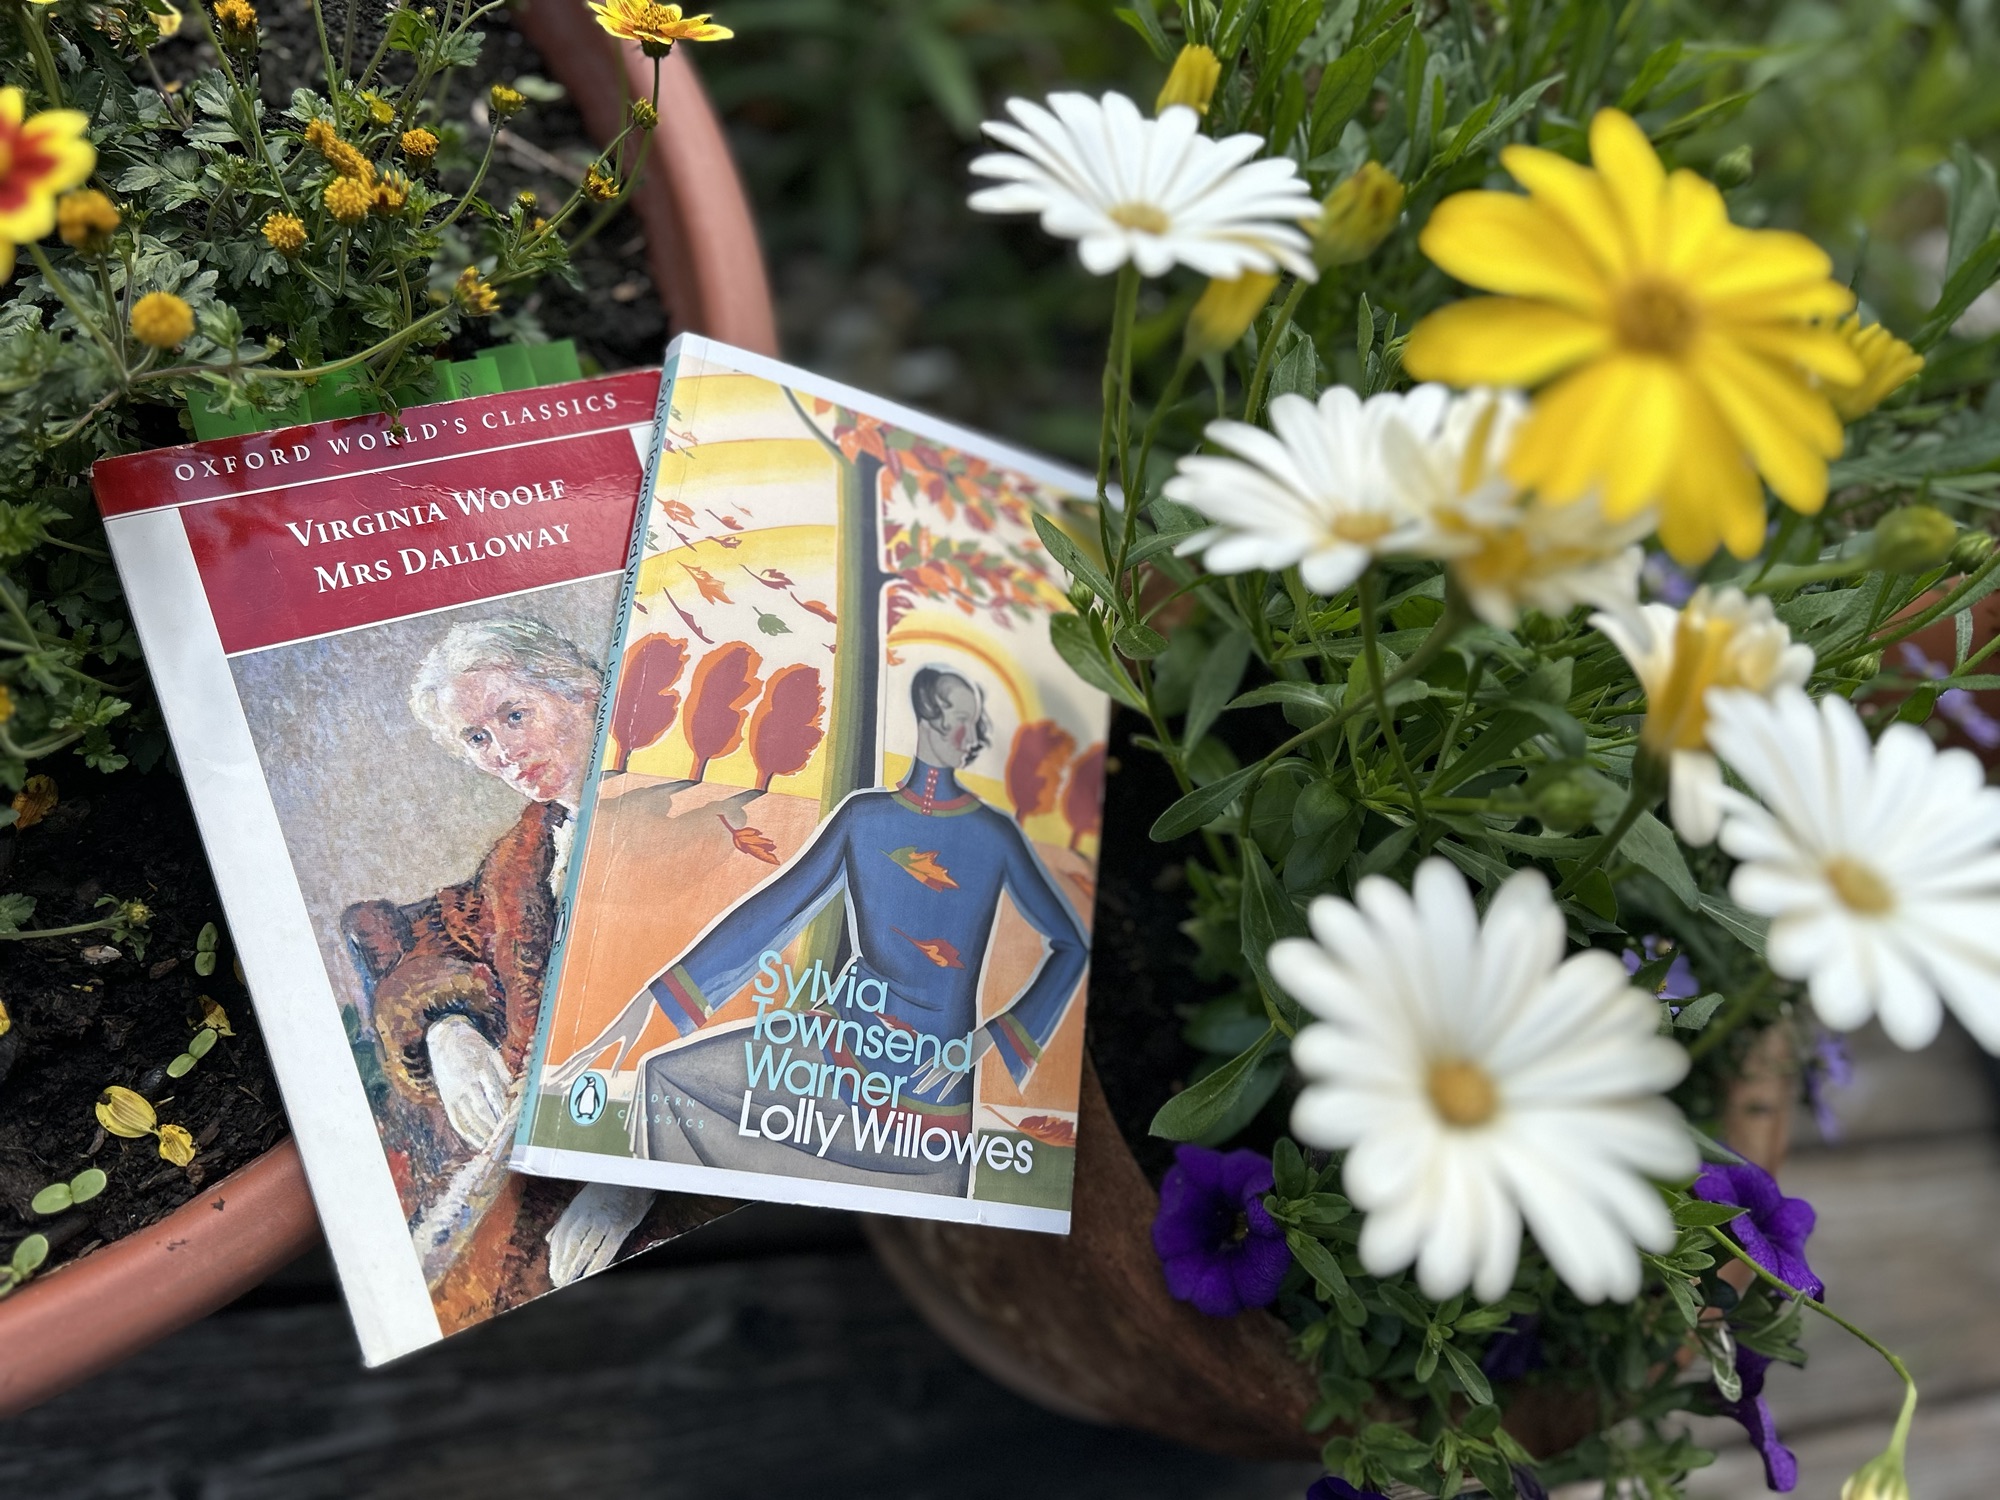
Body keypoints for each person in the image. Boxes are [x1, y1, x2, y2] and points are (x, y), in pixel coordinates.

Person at [555, 666, 1090, 1195]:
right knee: (666, 1078)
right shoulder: (863, 816)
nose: (971, 738)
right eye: (959, 720)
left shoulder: (991, 834)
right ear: (927, 718)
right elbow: (776, 911)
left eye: (975, 725)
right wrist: (653, 1002)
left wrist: (991, 1039)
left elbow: (1071, 945)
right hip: (835, 1045)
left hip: (932, 1090)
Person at [340, 618, 657, 1318]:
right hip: (538, 1134)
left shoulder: (680, 807)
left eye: (516, 715)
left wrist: (631, 1173)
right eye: (478, 739)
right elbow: (451, 929)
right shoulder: (524, 852)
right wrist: (446, 1028)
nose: (504, 753)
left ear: (583, 690)